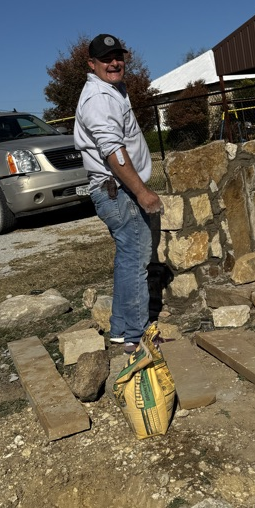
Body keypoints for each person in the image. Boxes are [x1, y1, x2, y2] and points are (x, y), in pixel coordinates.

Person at [74, 34, 163, 355]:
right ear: (92, 64)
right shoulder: (98, 99)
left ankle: (120, 331)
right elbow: (113, 150)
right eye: (106, 58)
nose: (114, 63)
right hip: (118, 191)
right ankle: (137, 336)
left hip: (118, 190)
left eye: (118, 56)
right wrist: (141, 191)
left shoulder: (112, 90)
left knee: (128, 260)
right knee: (136, 261)